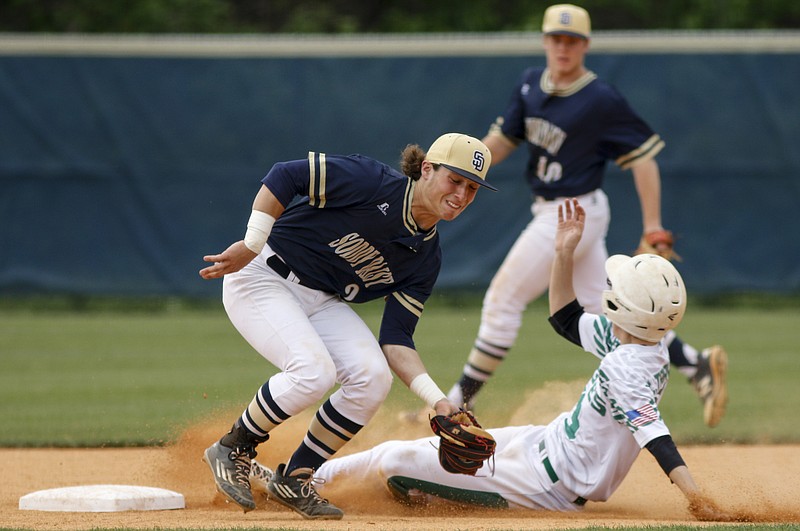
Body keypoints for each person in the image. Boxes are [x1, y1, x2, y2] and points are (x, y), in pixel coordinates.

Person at [251, 198, 732, 521]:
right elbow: (565, 318)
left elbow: (657, 437)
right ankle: (305, 478)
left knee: (395, 458)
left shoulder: (627, 365)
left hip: (545, 486)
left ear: (622, 308)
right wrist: (563, 254)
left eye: (614, 288)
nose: (606, 288)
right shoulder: (643, 344)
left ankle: (288, 485)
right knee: (416, 451)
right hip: (539, 445)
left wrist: (696, 499)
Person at [446, 3, 727, 427]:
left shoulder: (600, 98)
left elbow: (643, 159)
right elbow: (504, 141)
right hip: (561, 211)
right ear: (545, 41)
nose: (563, 47)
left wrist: (652, 225)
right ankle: (696, 364)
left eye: (572, 40)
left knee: (502, 300)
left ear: (585, 46)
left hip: (571, 211)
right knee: (610, 311)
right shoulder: (529, 86)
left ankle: (457, 404)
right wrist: (466, 161)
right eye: (556, 39)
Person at [198, 133, 497, 520]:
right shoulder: (371, 181)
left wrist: (438, 400)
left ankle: (296, 476)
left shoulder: (426, 257)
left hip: (323, 300)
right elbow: (285, 176)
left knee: (373, 377)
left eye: (471, 188)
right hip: (263, 274)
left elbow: (396, 339)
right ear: (427, 169)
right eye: (454, 180)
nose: (461, 194)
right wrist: (253, 242)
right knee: (314, 372)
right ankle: (233, 446)